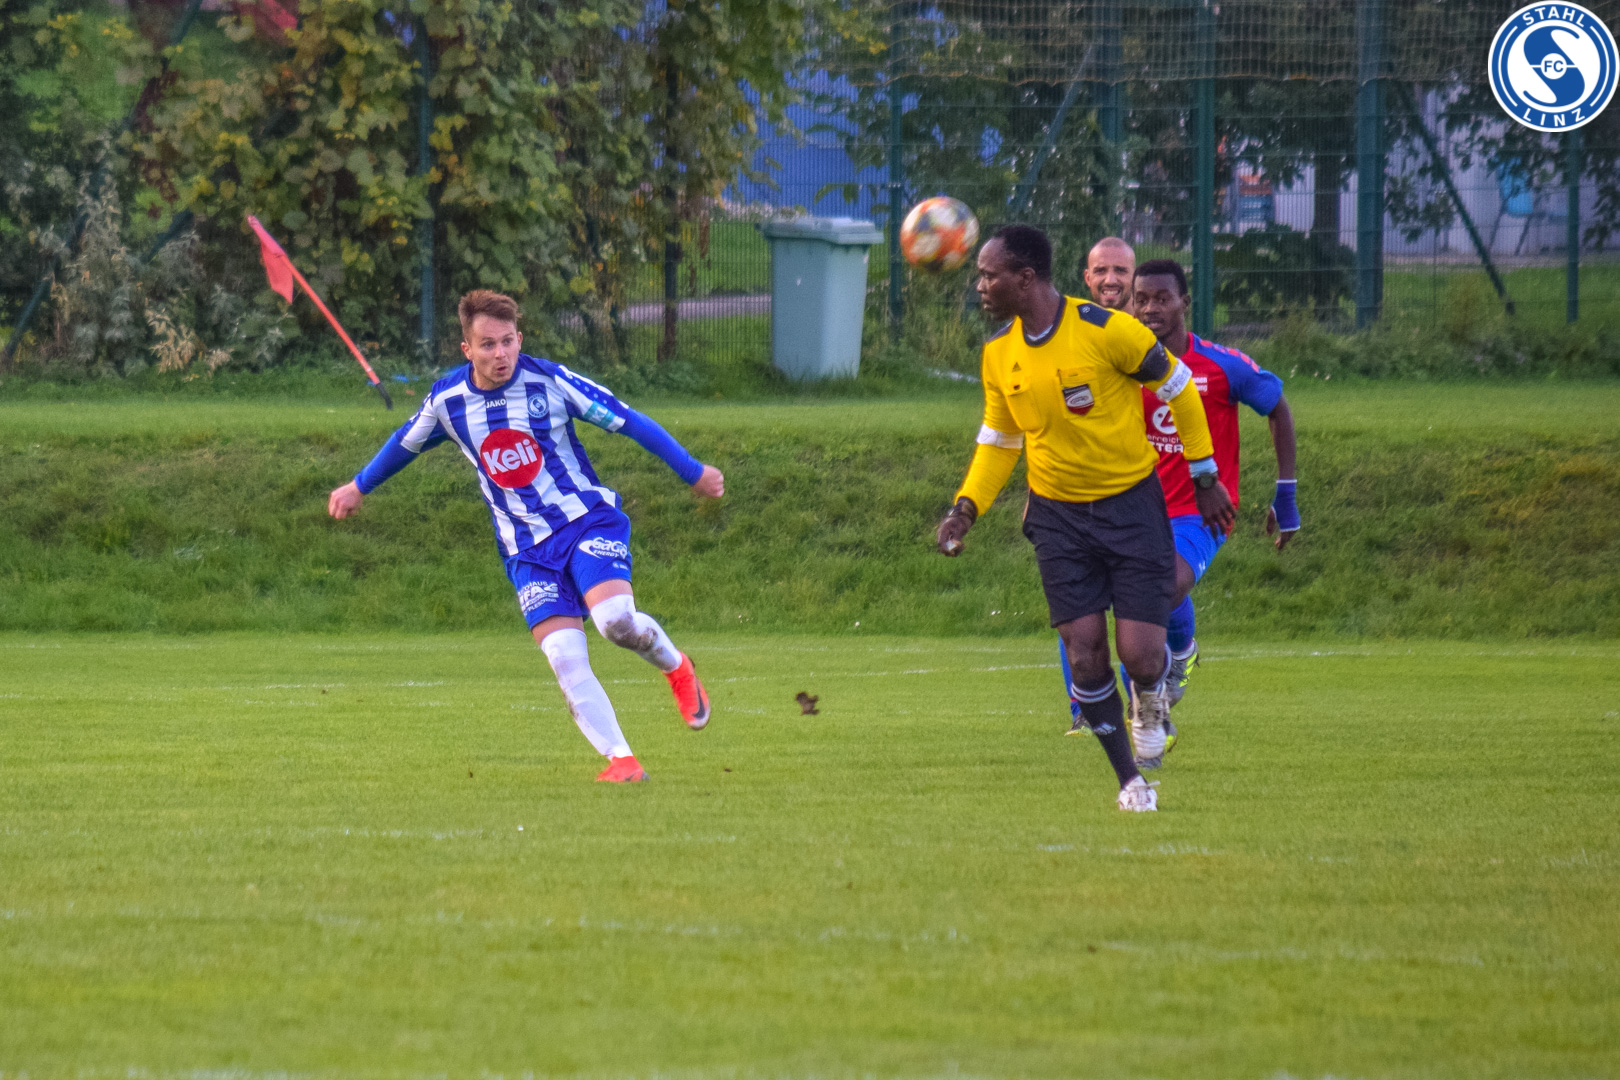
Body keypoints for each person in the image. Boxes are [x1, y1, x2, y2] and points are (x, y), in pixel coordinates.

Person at [326, 290, 722, 783]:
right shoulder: (448, 402)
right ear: (467, 349)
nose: (501, 354)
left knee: (615, 622)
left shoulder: (550, 382)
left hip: (584, 520)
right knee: (563, 656)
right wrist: (358, 486)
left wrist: (692, 471)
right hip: (526, 550)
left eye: (508, 341)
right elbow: (404, 444)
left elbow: (628, 420)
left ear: (520, 338)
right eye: (488, 345)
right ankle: (622, 760)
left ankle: (677, 668)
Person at [935, 225, 1233, 813]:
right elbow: (999, 442)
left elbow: (1180, 389)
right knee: (1085, 653)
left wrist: (1204, 477)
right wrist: (964, 509)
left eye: (989, 276)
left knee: (1140, 655)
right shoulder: (998, 353)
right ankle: (1131, 781)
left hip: (1131, 505)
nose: (980, 286)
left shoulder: (1106, 331)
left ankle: (1151, 696)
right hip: (1057, 517)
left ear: (1025, 278)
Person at [1126, 258, 1298, 708]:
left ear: (1184, 302)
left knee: (1159, 589)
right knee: (1140, 597)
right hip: (1135, 508)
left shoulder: (1221, 366)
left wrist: (1286, 493)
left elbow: (1278, 408)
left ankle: (1162, 679)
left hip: (1199, 512)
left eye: (1162, 298)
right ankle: (1177, 656)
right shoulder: (1121, 367)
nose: (1150, 308)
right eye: (1141, 299)